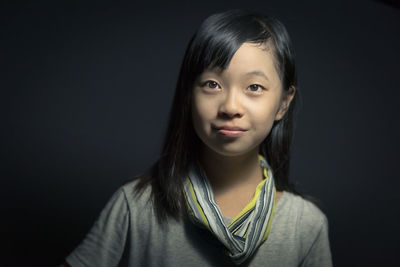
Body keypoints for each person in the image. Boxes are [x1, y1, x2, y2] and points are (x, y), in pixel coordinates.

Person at [61, 10, 332, 267]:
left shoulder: (306, 224)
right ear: (189, 94)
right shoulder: (135, 205)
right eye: (212, 84)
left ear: (283, 103)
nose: (230, 106)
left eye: (254, 87)